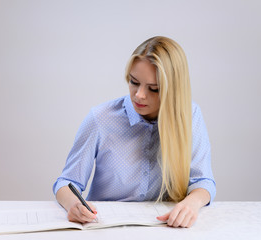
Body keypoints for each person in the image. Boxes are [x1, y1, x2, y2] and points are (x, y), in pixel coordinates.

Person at [53, 36, 216, 228]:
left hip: (165, 229)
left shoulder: (190, 116)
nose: (139, 95)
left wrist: (191, 203)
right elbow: (66, 182)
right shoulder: (100, 118)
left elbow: (203, 181)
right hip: (103, 227)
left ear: (173, 91)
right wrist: (73, 204)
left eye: (153, 89)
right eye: (134, 82)